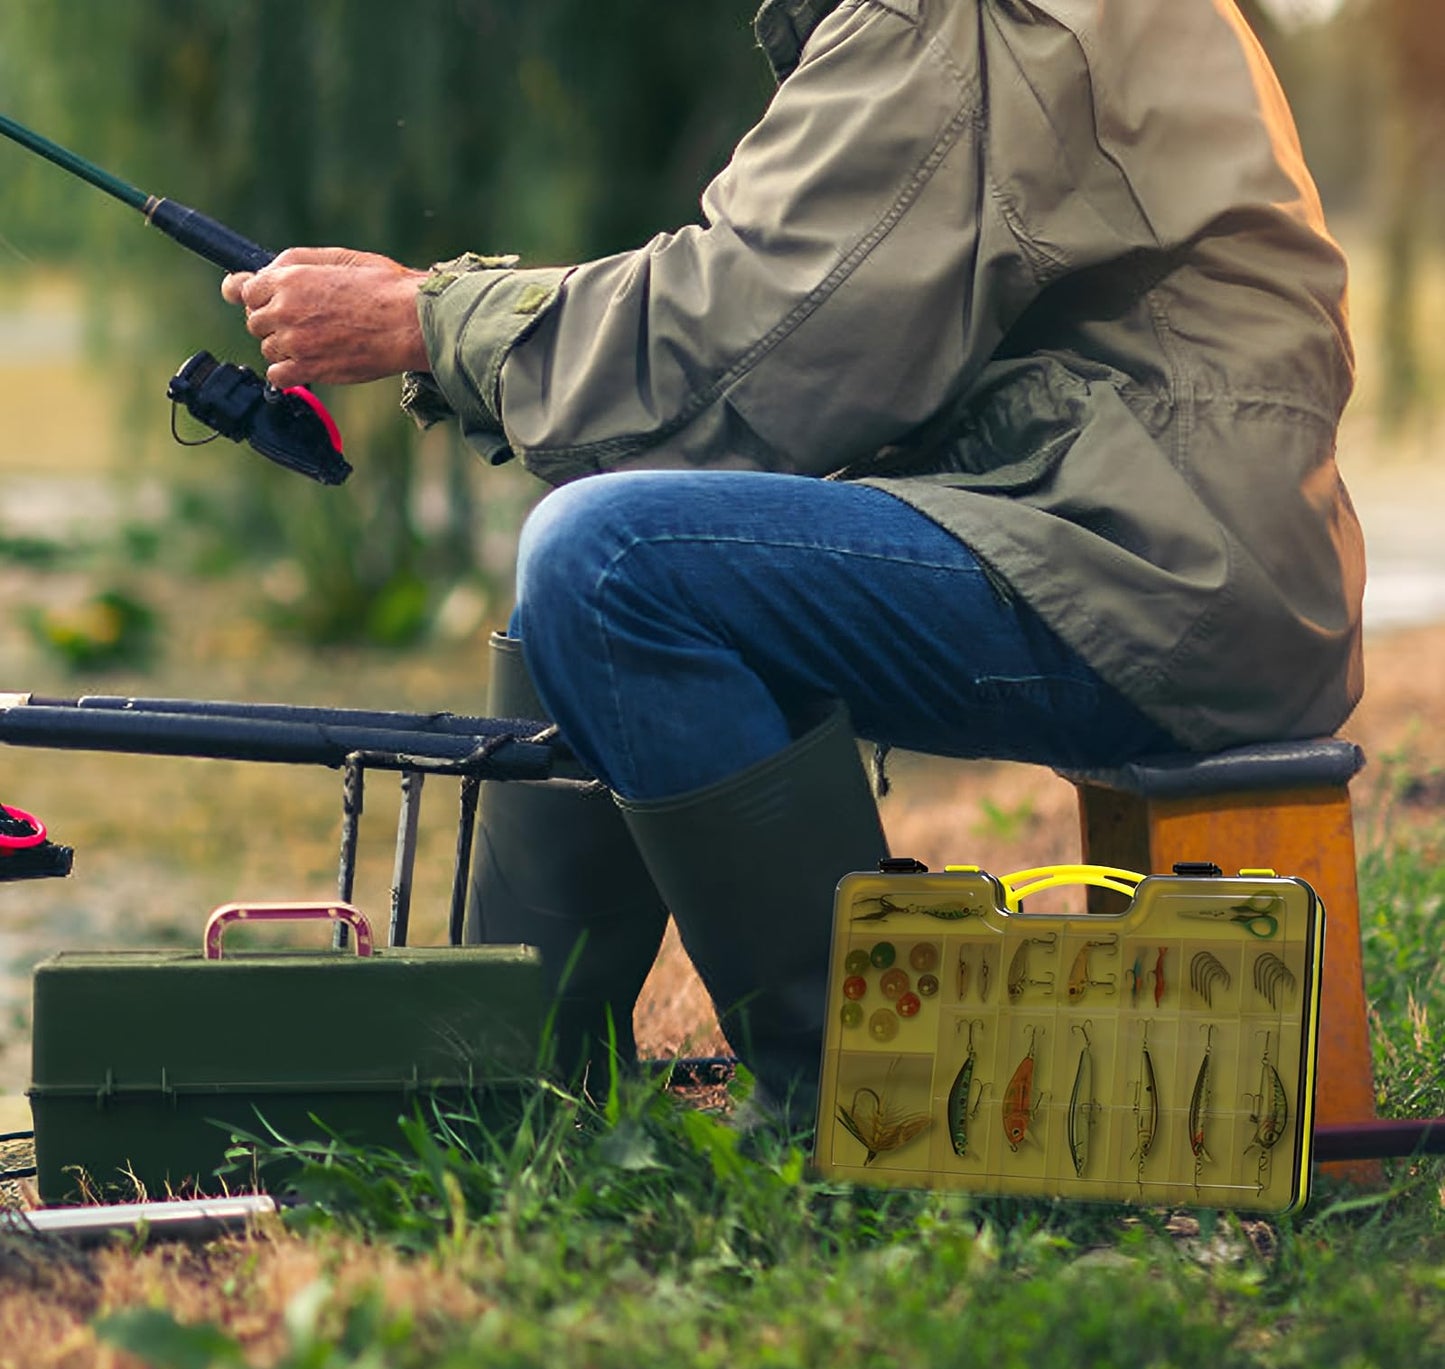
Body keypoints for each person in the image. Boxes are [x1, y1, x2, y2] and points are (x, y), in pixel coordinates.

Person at [221, 0, 1363, 1119]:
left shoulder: (955, 22)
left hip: (1148, 573)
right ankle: (510, 1089)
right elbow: (789, 341)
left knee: (610, 560)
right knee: (604, 561)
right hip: (1174, 556)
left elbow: (733, 350)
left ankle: (873, 1099)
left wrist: (430, 317)